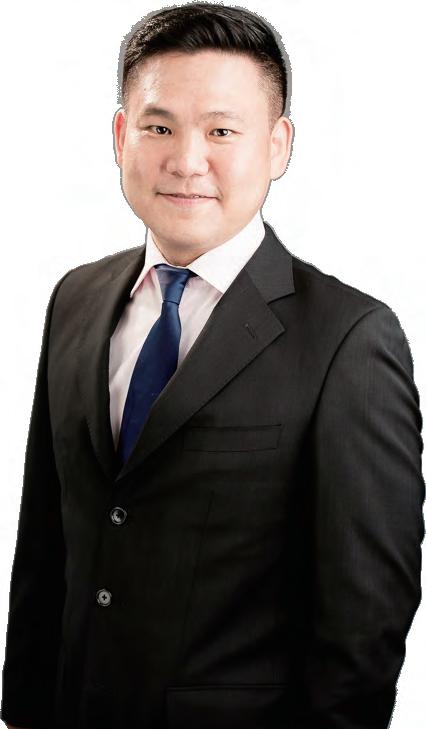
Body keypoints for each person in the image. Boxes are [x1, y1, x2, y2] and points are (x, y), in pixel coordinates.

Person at [1, 3, 424, 728]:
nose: (186, 160)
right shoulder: (76, 298)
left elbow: (363, 630)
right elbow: (46, 548)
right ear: (120, 136)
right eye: (159, 127)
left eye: (222, 131)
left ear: (278, 145)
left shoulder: (349, 339)